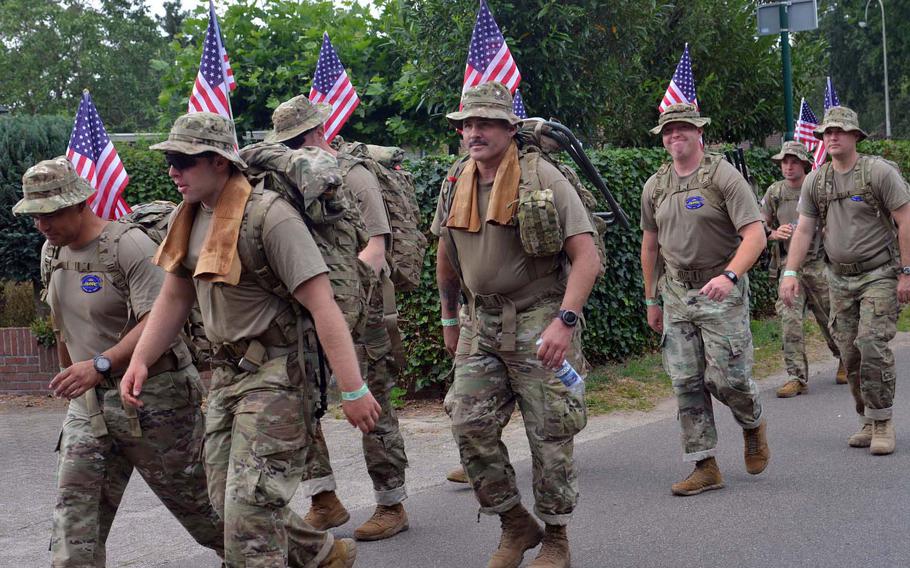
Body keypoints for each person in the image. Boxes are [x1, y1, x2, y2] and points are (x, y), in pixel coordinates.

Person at [119, 112, 380, 566]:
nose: (173, 171)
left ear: (220, 162)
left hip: (278, 373)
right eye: (171, 161)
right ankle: (321, 555)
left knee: (250, 514)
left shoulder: (268, 217)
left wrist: (353, 390)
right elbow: (175, 295)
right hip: (228, 376)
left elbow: (323, 306)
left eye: (184, 160)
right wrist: (140, 358)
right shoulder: (191, 216)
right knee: (224, 503)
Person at [11, 157, 224, 566]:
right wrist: (73, 372)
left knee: (208, 511)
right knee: (75, 525)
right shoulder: (50, 252)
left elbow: (160, 321)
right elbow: (62, 323)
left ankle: (307, 552)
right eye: (35, 215)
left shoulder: (128, 245)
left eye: (51, 213)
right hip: (89, 409)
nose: (43, 225)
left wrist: (101, 364)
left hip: (155, 401)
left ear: (80, 204)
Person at [434, 82, 601, 568]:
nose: (473, 131)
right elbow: (446, 255)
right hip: (479, 321)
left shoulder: (541, 176)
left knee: (550, 435)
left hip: (538, 318)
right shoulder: (455, 180)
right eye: (466, 123)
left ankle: (555, 537)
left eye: (484, 122)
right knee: (468, 424)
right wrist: (449, 317)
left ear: (509, 128)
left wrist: (565, 322)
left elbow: (585, 256)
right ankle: (514, 523)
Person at [265, 95, 410, 541]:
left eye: (296, 140)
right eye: (284, 143)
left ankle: (392, 502)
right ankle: (323, 499)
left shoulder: (353, 174)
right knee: (302, 402)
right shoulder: (291, 177)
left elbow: (376, 247)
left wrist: (340, 300)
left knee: (371, 404)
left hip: (362, 308)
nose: (291, 149)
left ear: (315, 135)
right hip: (311, 307)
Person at [639, 103, 770, 497]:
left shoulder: (723, 176)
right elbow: (650, 246)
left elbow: (755, 235)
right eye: (668, 131)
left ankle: (752, 423)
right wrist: (651, 299)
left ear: (699, 133)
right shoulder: (655, 185)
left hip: (720, 290)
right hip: (676, 291)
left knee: (728, 378)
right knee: (686, 382)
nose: (674, 136)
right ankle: (705, 465)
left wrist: (730, 276)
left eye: (682, 129)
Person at [780, 106, 910, 456]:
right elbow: (804, 228)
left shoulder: (878, 173)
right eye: (827, 132)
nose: (832, 136)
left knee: (871, 343)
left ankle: (883, 421)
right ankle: (866, 418)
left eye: (839, 130)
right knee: (849, 351)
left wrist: (906, 272)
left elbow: (905, 219)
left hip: (879, 274)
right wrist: (790, 272)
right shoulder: (816, 180)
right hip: (838, 277)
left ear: (855, 136)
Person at [761, 141, 845, 397]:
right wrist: (774, 233)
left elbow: (839, 219)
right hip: (790, 268)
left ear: (805, 164)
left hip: (820, 264)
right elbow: (758, 225)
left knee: (832, 318)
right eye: (784, 162)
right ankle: (795, 376)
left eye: (794, 161)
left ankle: (845, 360)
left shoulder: (818, 188)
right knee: (790, 321)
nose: (788, 166)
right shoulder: (775, 192)